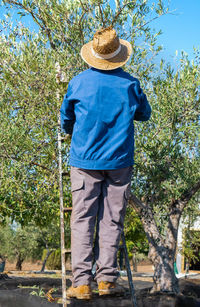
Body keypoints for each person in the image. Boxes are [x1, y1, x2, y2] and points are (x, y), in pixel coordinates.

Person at [60, 26, 151, 300]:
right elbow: (145, 114)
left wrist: (75, 128)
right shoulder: (130, 84)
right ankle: (107, 281)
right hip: (120, 161)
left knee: (83, 219)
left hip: (84, 159)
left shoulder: (78, 82)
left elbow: (66, 119)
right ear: (118, 55)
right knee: (112, 219)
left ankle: (82, 283)